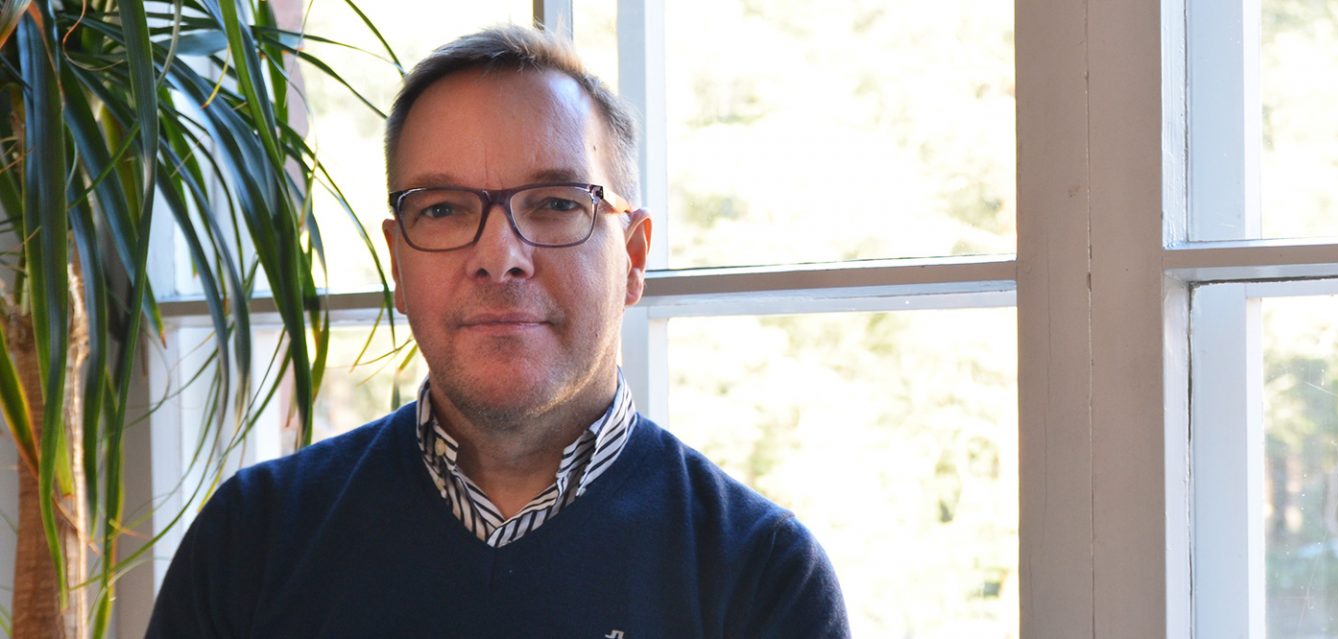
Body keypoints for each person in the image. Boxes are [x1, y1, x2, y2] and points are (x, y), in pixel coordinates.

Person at [146, 26, 849, 638]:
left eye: (555, 203)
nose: (499, 255)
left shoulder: (760, 573)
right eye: (443, 208)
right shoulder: (250, 541)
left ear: (633, 258)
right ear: (398, 264)